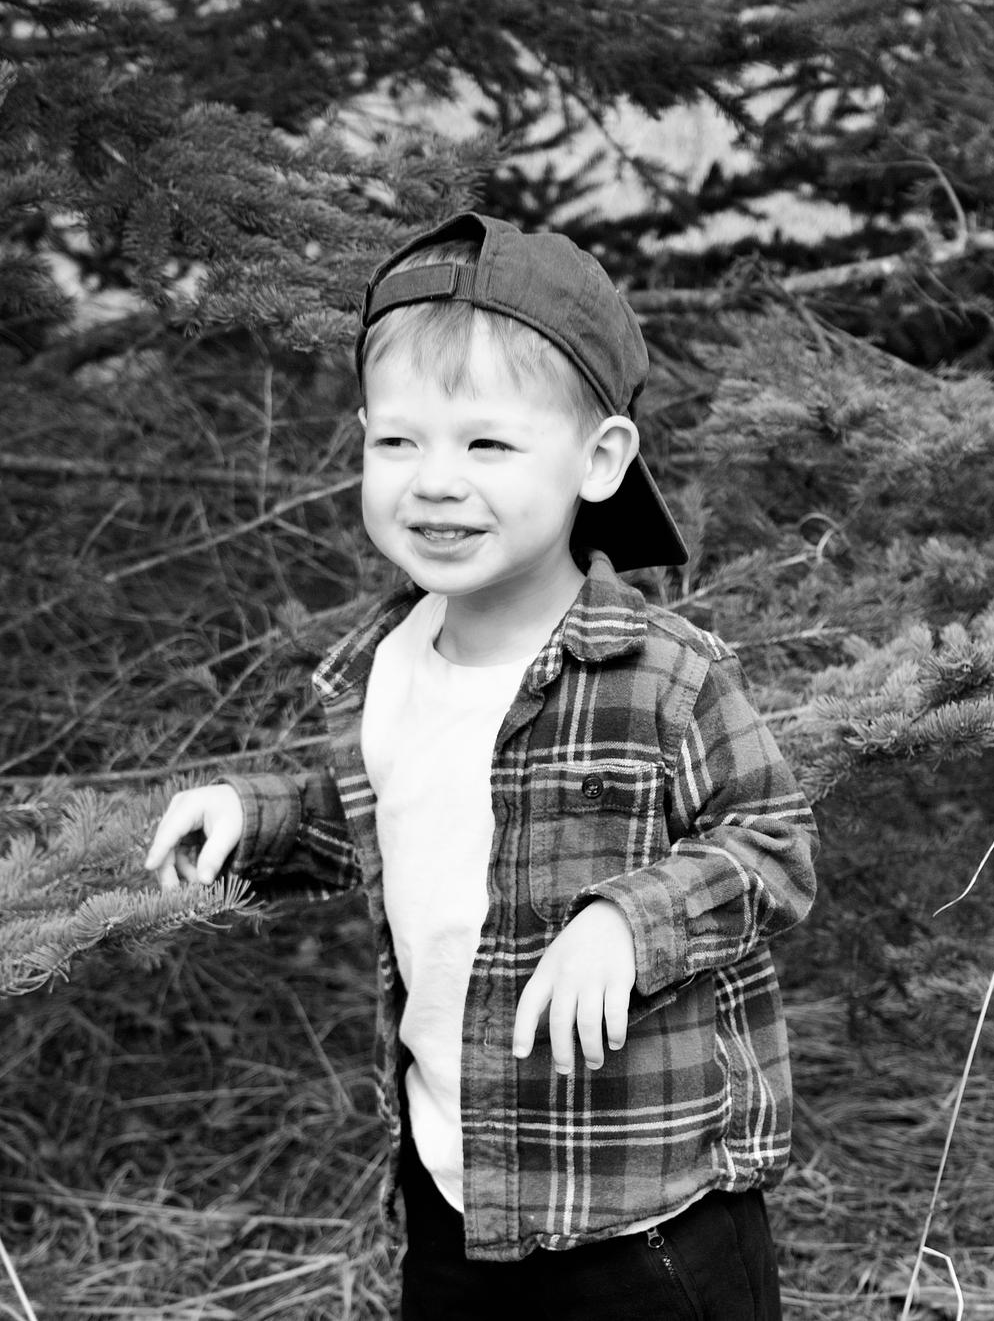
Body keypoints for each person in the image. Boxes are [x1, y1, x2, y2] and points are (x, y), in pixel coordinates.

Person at [145, 211, 818, 1320]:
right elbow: (385, 816)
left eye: (487, 445)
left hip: (642, 1212)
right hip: (456, 1182)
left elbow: (773, 846)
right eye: (398, 443)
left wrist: (629, 921)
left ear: (599, 460)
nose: (435, 482)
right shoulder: (390, 662)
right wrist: (246, 815)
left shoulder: (663, 674)